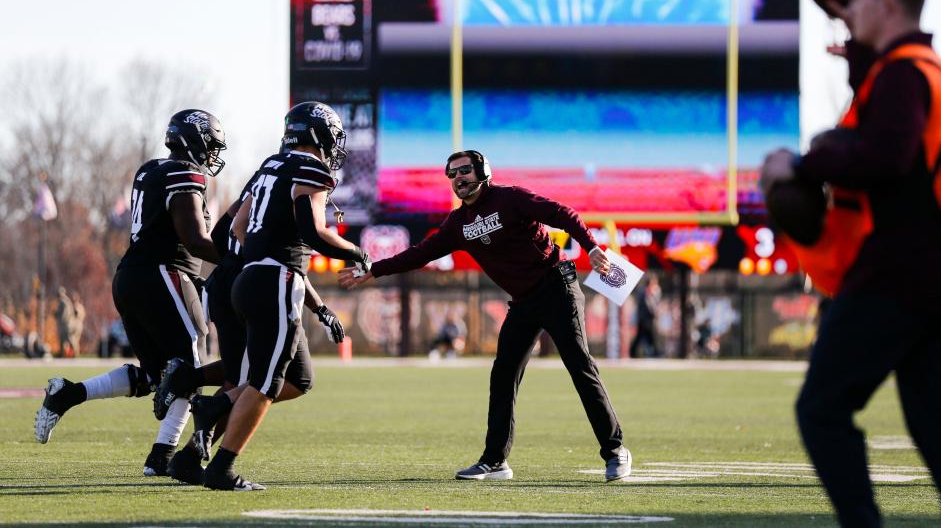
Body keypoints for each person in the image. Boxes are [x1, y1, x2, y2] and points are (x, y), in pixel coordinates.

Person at [761, 0, 941, 527]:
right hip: (940, 273)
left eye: (861, 0)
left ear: (889, 5)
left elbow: (886, 155)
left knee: (822, 408)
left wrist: (802, 163)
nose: (851, 9)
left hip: (898, 271)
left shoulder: (902, 73)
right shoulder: (928, 68)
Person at [339, 150, 631, 482]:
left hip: (556, 290)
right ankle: (495, 461)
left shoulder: (510, 198)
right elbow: (419, 254)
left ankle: (615, 450)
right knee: (503, 375)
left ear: (483, 171)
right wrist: (373, 270)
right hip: (523, 302)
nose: (458, 178)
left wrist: (591, 247)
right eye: (452, 174)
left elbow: (562, 213)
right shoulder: (458, 224)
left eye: (464, 170)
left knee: (580, 367)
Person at [34, 109, 228, 479]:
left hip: (130, 278)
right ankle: (161, 457)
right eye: (210, 145)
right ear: (195, 140)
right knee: (187, 370)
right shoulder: (184, 173)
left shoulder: (150, 169)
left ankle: (68, 394)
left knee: (157, 377)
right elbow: (193, 238)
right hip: (165, 275)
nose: (212, 154)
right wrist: (239, 259)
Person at [155, 148, 349, 486]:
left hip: (238, 280)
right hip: (257, 282)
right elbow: (289, 248)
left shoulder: (267, 174)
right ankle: (215, 459)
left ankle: (189, 448)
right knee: (259, 379)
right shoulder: (300, 175)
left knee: (291, 378)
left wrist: (317, 306)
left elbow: (230, 231)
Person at [196, 101, 362, 491]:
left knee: (271, 377)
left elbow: (237, 226)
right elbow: (313, 232)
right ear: (319, 135)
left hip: (246, 278)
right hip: (277, 281)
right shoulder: (311, 168)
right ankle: (222, 467)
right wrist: (357, 252)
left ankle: (217, 407)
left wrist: (263, 252)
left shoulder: (271, 165)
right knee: (268, 382)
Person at [629, 276, 661, 358]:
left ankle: (634, 352)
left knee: (644, 336)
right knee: (650, 336)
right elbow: (648, 306)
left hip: (647, 319)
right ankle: (655, 352)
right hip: (644, 319)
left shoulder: (652, 292)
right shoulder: (644, 292)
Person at [54, 287, 75, 358]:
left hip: (66, 324)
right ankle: (64, 354)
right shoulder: (66, 301)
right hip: (67, 323)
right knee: (64, 339)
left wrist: (58, 316)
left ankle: (72, 353)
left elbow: (65, 313)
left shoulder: (64, 301)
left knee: (68, 339)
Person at [69, 291, 85, 357]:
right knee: (73, 340)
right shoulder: (71, 306)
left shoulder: (79, 306)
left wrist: (76, 312)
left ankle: (75, 354)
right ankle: (73, 354)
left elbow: (81, 315)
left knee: (75, 340)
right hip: (73, 325)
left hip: (78, 325)